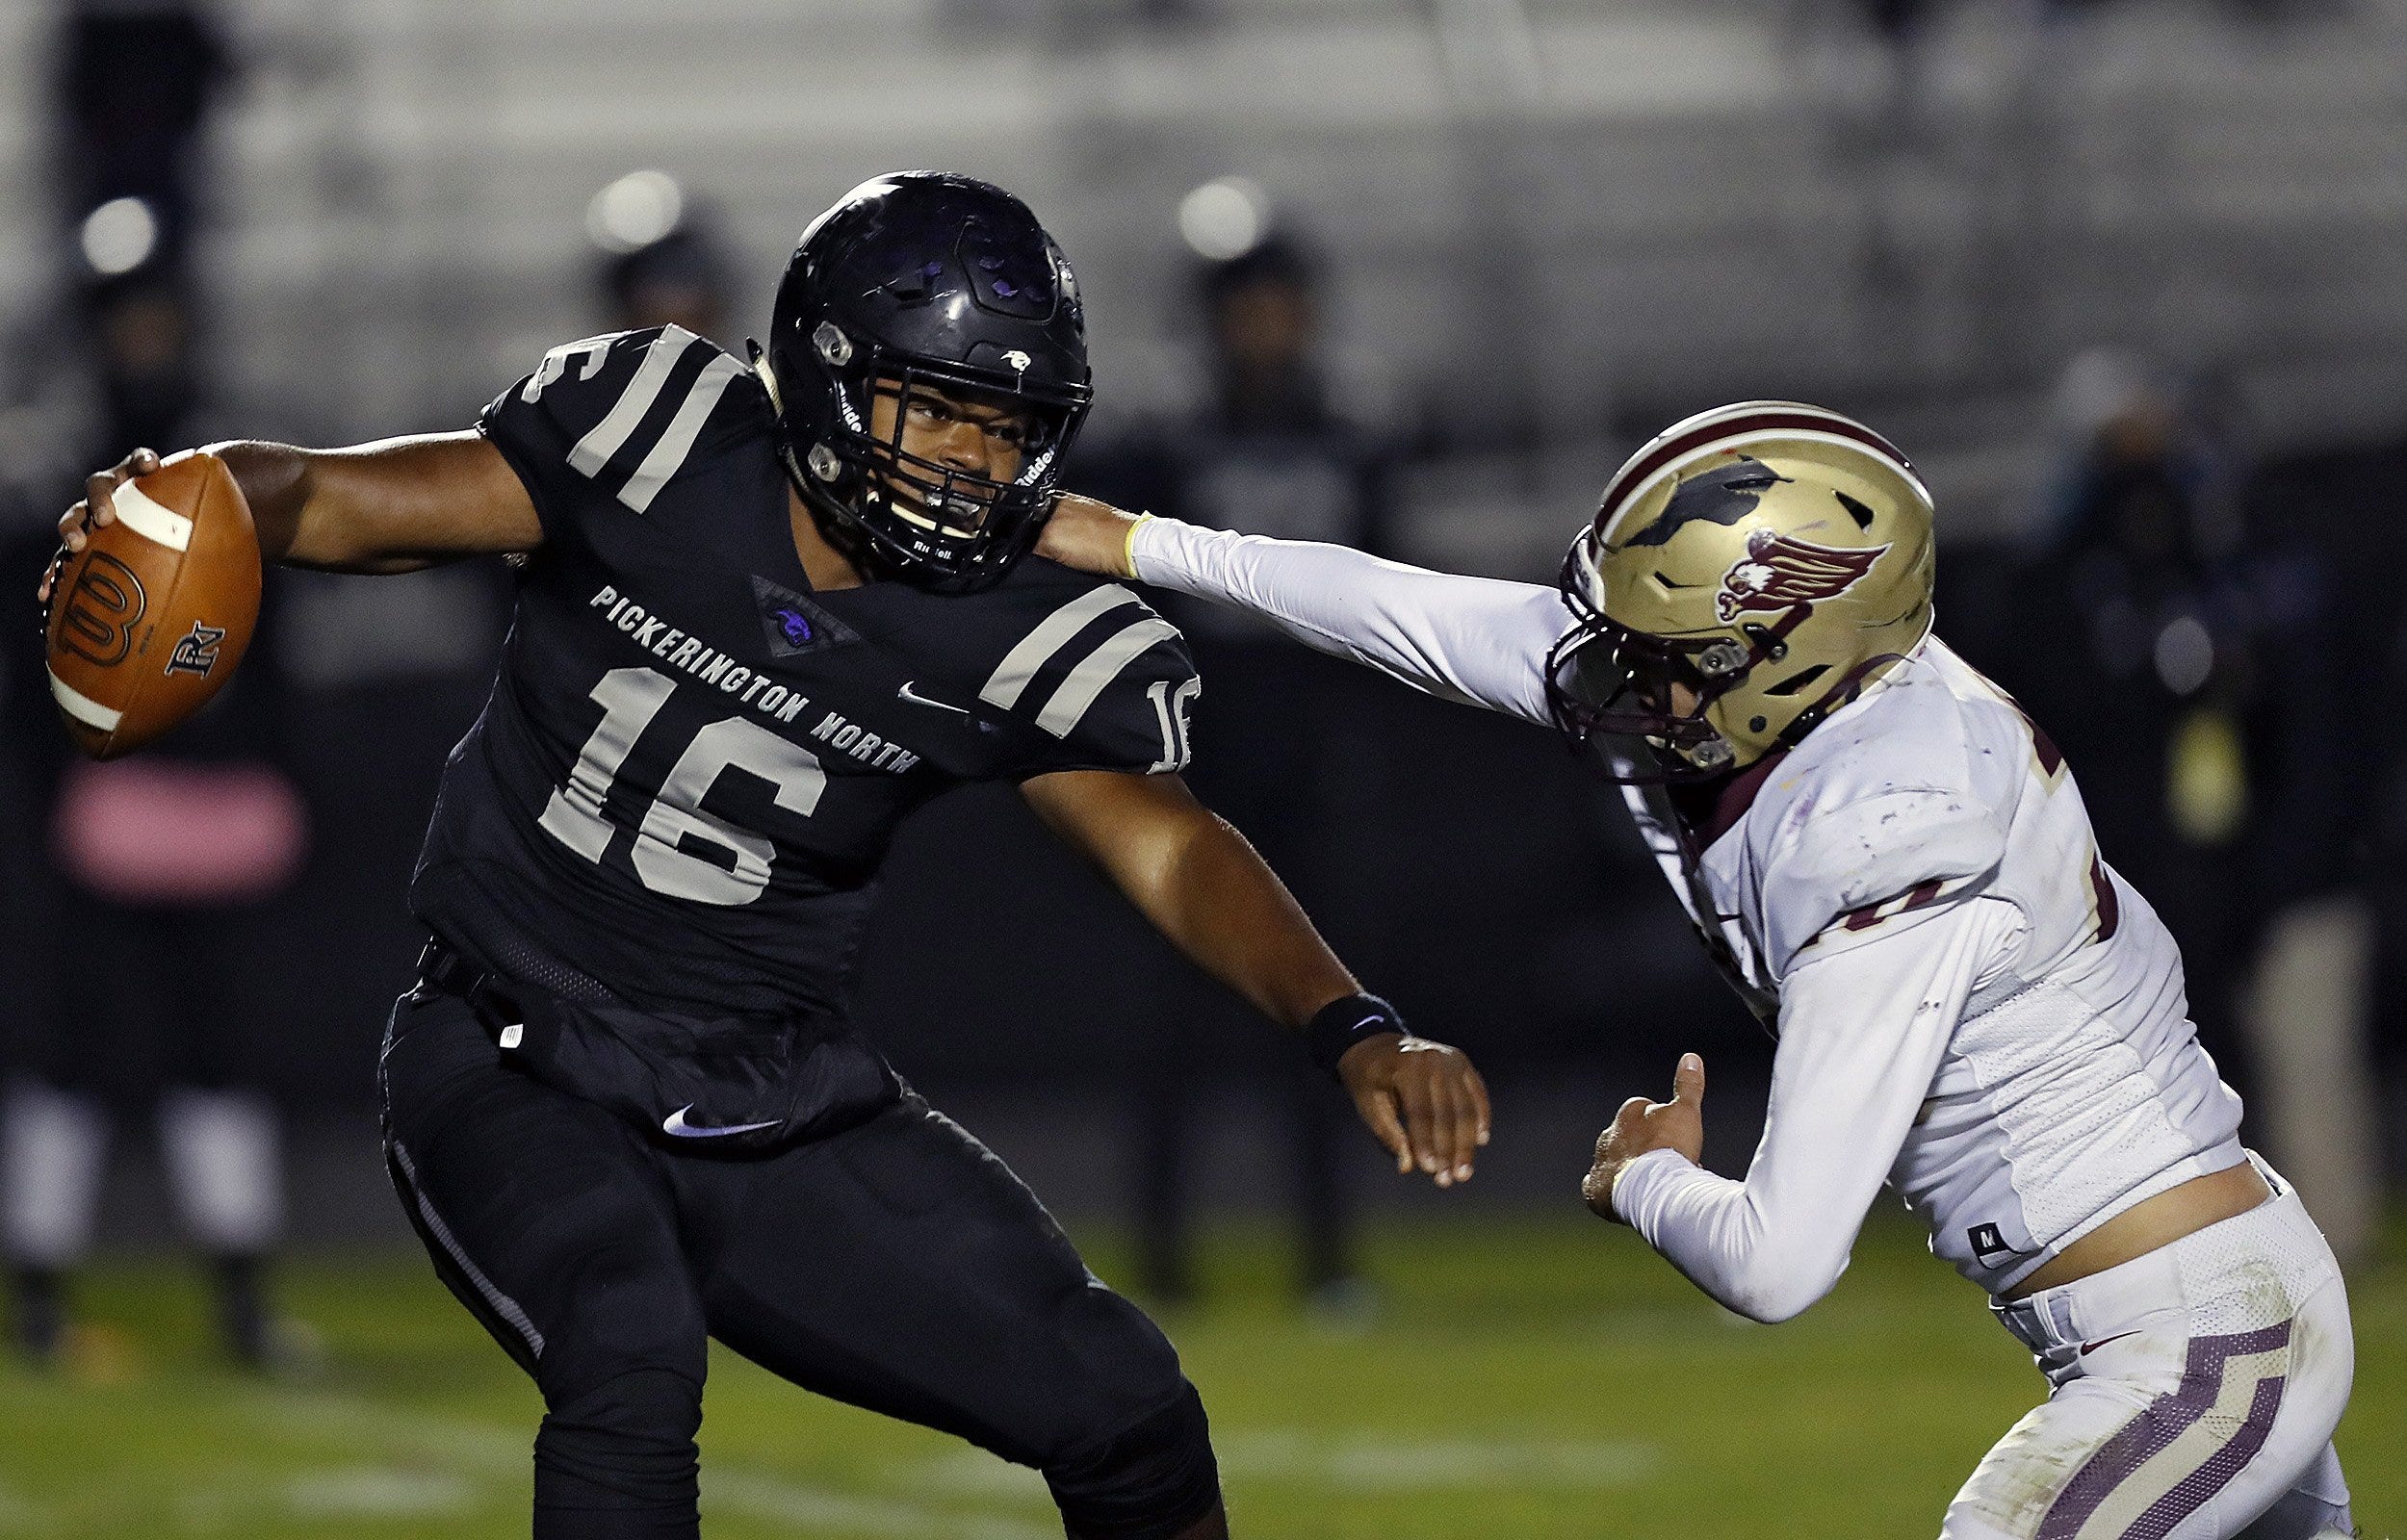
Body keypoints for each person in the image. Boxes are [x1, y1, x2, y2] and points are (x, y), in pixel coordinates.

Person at [46, 171, 1491, 1540]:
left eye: (1005, 424)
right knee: (628, 1353)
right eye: (932, 408)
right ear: (820, 372)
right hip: (511, 1057)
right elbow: (334, 499)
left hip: (775, 1099)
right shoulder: (661, 435)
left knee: (1124, 1401)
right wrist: (205, 496)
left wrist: (1350, 1025)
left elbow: (1171, 848)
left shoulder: (1029, 621)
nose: (971, 459)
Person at [1038, 400, 2357, 1538]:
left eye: (1671, 660)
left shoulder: (1888, 828)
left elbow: (1779, 1262)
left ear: (1791, 656)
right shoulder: (1792, 697)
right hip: (2187, 1304)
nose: (1620, 681)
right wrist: (1145, 544)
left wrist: (1650, 1178)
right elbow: (1418, 617)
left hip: (2196, 1336)